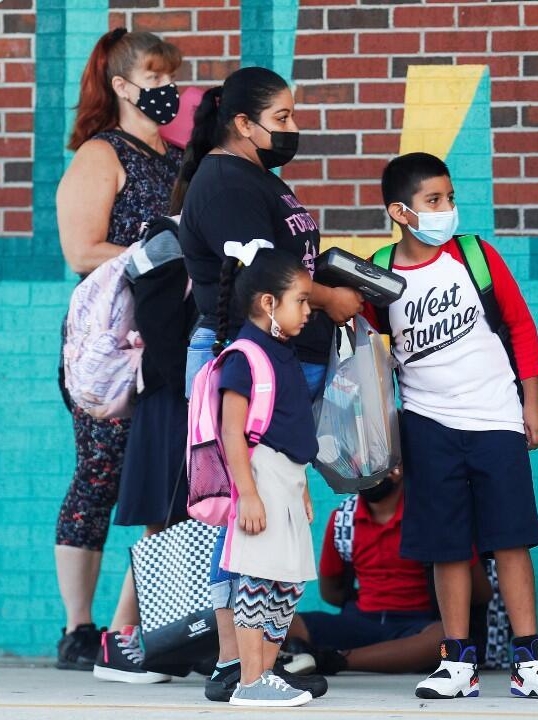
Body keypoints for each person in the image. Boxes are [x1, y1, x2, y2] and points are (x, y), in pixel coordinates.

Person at [171, 65, 359, 701]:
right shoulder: (224, 183)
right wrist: (329, 298)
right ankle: (236, 664)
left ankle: (258, 662)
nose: (292, 128)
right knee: (245, 516)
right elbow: (262, 276)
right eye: (281, 118)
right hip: (253, 362)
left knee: (271, 513)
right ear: (242, 123)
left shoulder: (255, 177)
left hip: (284, 360)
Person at [370, 152, 538, 701]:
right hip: (426, 426)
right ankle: (457, 663)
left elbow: (521, 324)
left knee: (511, 539)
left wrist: (533, 403)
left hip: (497, 418)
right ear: (400, 212)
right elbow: (364, 355)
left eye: (450, 197)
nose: (447, 208)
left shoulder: (475, 256)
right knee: (447, 547)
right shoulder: (381, 273)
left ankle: (531, 661)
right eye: (433, 200)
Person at [52, 27, 185, 672]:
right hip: (110, 343)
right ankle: (78, 628)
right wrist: (156, 254)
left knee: (163, 479)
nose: (167, 89)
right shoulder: (100, 155)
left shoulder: (180, 157)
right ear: (123, 86)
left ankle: (129, 629)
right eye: (155, 78)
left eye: (171, 77)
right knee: (99, 474)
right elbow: (81, 251)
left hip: (167, 337)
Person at [92, 218, 199, 684]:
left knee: (183, 521)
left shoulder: (190, 240)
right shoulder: (168, 242)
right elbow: (161, 329)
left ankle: (163, 640)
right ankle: (118, 640)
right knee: (164, 521)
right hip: (173, 400)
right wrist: (193, 390)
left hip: (182, 398)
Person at [214, 247, 320, 708]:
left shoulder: (281, 352)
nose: (309, 310)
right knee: (258, 578)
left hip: (288, 479)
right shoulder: (245, 355)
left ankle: (267, 674)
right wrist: (249, 494)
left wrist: (304, 486)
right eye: (301, 300)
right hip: (261, 476)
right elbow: (231, 432)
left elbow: (292, 428)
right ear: (268, 303)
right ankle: (250, 679)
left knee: (288, 581)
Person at [279, 474, 494, 676]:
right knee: (283, 621)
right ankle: (327, 657)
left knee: (447, 637)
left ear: (398, 469)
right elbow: (331, 592)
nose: (366, 470)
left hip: (418, 624)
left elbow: (481, 593)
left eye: (376, 462)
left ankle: (335, 660)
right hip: (360, 622)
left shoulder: (431, 517)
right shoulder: (343, 519)